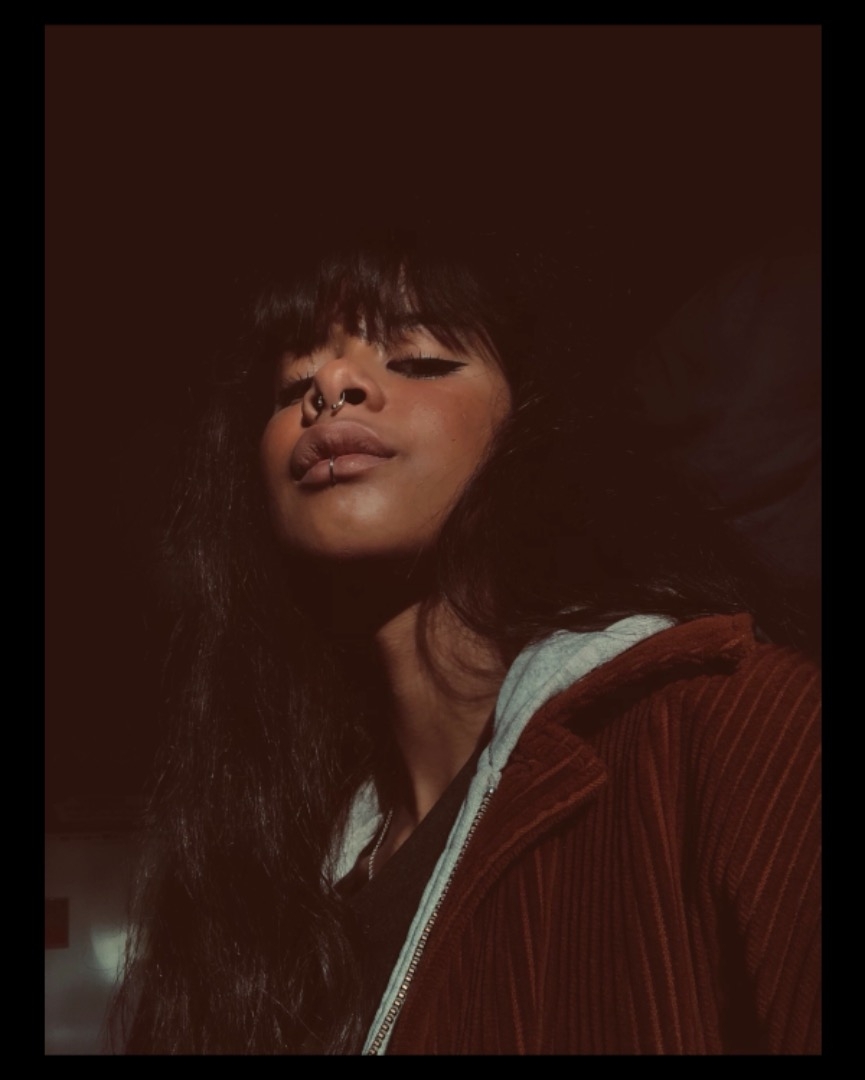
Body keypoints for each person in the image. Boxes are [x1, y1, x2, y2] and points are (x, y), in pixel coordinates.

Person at [112, 223, 821, 1055]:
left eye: (417, 360)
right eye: (291, 381)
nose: (332, 383)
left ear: (534, 424)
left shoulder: (730, 730)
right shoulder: (256, 866)